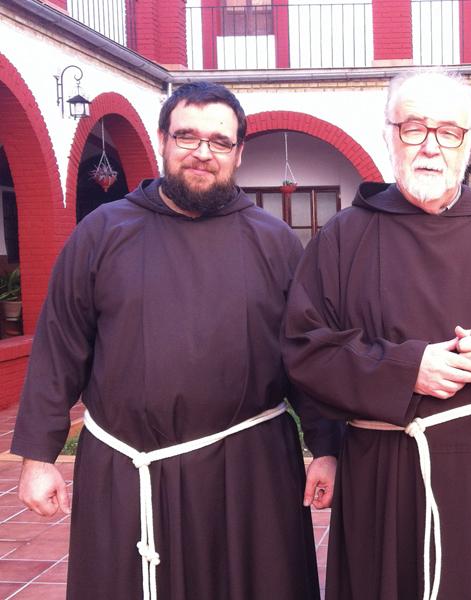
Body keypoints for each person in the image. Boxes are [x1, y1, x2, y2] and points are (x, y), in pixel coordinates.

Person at [11, 82, 341, 600]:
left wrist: (326, 446)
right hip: (128, 468)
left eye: (219, 141)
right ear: (162, 140)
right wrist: (37, 456)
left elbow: (305, 353)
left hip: (248, 475)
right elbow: (60, 346)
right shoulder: (102, 232)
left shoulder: (274, 242)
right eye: (187, 137)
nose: (202, 153)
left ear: (238, 152)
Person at [282, 70, 471, 600]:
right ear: (389, 135)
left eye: (448, 131)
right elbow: (306, 347)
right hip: (387, 472)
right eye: (414, 128)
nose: (431, 146)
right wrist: (406, 371)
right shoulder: (345, 236)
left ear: (469, 142)